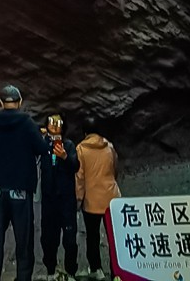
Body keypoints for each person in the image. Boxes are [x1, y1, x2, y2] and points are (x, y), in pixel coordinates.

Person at [0, 84, 45, 281]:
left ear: (0, 103)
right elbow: (41, 148)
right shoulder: (28, 123)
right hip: (20, 192)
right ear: (20, 102)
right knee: (24, 241)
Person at [75, 123, 120, 281]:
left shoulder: (81, 149)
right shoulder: (110, 146)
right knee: (114, 237)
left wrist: (78, 198)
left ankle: (97, 269)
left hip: (92, 199)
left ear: (85, 132)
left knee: (92, 236)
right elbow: (115, 169)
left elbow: (79, 178)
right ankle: (117, 271)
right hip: (112, 198)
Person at [38, 112, 79, 280]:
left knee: (69, 239)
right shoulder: (42, 145)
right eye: (51, 123)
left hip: (66, 201)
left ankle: (70, 272)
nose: (54, 126)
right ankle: (50, 271)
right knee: (48, 238)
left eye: (58, 123)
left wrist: (64, 157)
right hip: (48, 200)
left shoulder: (68, 145)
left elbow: (76, 166)